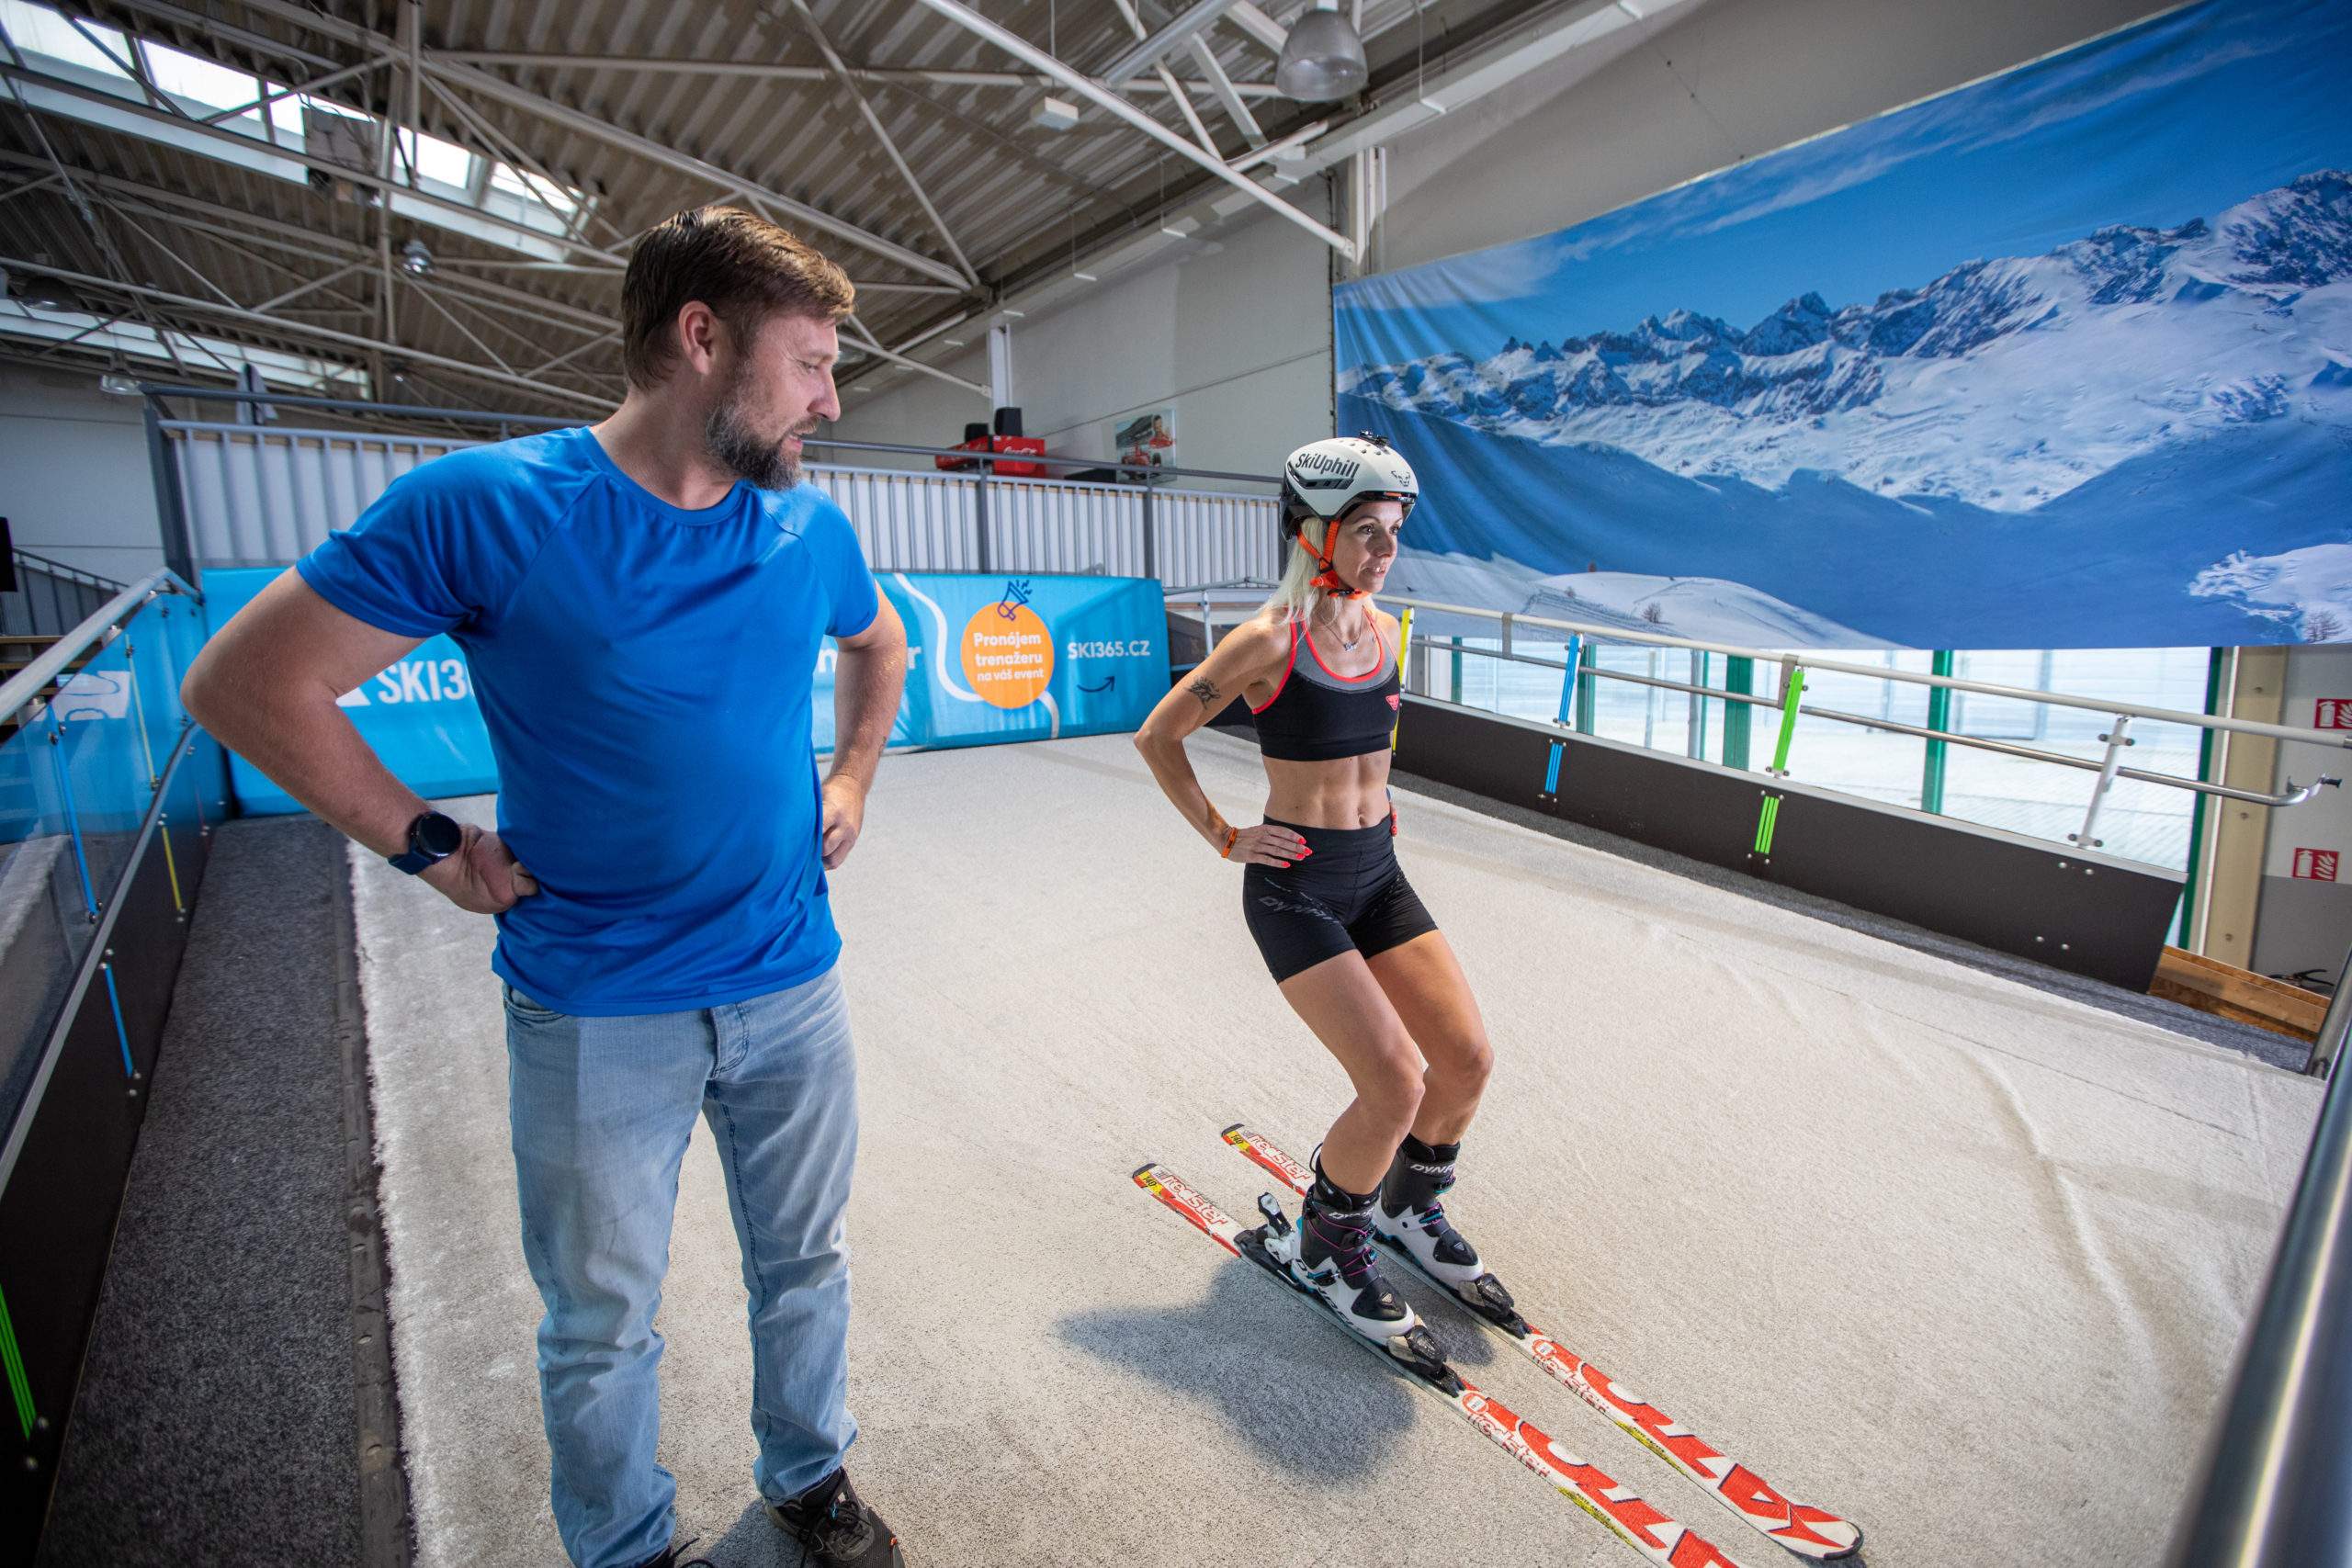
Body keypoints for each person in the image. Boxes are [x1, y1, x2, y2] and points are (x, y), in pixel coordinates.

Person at [182, 206, 911, 1568]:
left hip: (790, 987)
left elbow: (882, 648)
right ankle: (624, 1546)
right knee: (598, 1318)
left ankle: (809, 1475)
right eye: (810, 361)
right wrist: (431, 845)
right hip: (594, 1007)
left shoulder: (804, 528)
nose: (829, 394)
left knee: (806, 1263)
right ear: (702, 340)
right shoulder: (492, 506)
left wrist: (855, 776)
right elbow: (246, 683)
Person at [1132, 434, 1508, 1342]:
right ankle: (1324, 1242)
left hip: (1376, 873)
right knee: (1394, 1085)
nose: (1387, 552)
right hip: (1295, 885)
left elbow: (1369, 751)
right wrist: (1226, 836)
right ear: (1313, 531)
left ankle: (1404, 1209)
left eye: (1394, 534)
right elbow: (1158, 735)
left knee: (1465, 1064)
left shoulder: (1385, 629)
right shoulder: (1266, 638)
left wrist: (1379, 820)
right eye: (1369, 533)